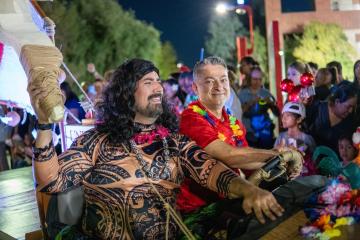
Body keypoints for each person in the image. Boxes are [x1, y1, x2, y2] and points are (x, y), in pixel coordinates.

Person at [29, 59, 284, 239]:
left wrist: (249, 189)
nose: (159, 87)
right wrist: (43, 125)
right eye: (149, 81)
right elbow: (52, 181)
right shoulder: (96, 141)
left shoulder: (174, 142)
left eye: (159, 81)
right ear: (127, 92)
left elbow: (214, 171)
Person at [306, 80, 357, 154]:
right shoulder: (317, 109)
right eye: (348, 107)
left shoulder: (350, 120)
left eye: (353, 107)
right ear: (337, 102)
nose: (350, 111)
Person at [238, 66, 280, 148]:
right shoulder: (242, 94)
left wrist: (272, 104)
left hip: (265, 134)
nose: (257, 82)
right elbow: (238, 113)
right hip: (247, 134)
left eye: (260, 79)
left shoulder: (266, 93)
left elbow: (277, 114)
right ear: (249, 79)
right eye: (255, 79)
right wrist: (251, 103)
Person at [274, 102, 317, 176]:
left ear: (299, 119)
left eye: (288, 115)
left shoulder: (307, 138)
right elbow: (274, 156)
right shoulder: (281, 137)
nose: (284, 118)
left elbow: (314, 160)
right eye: (283, 115)